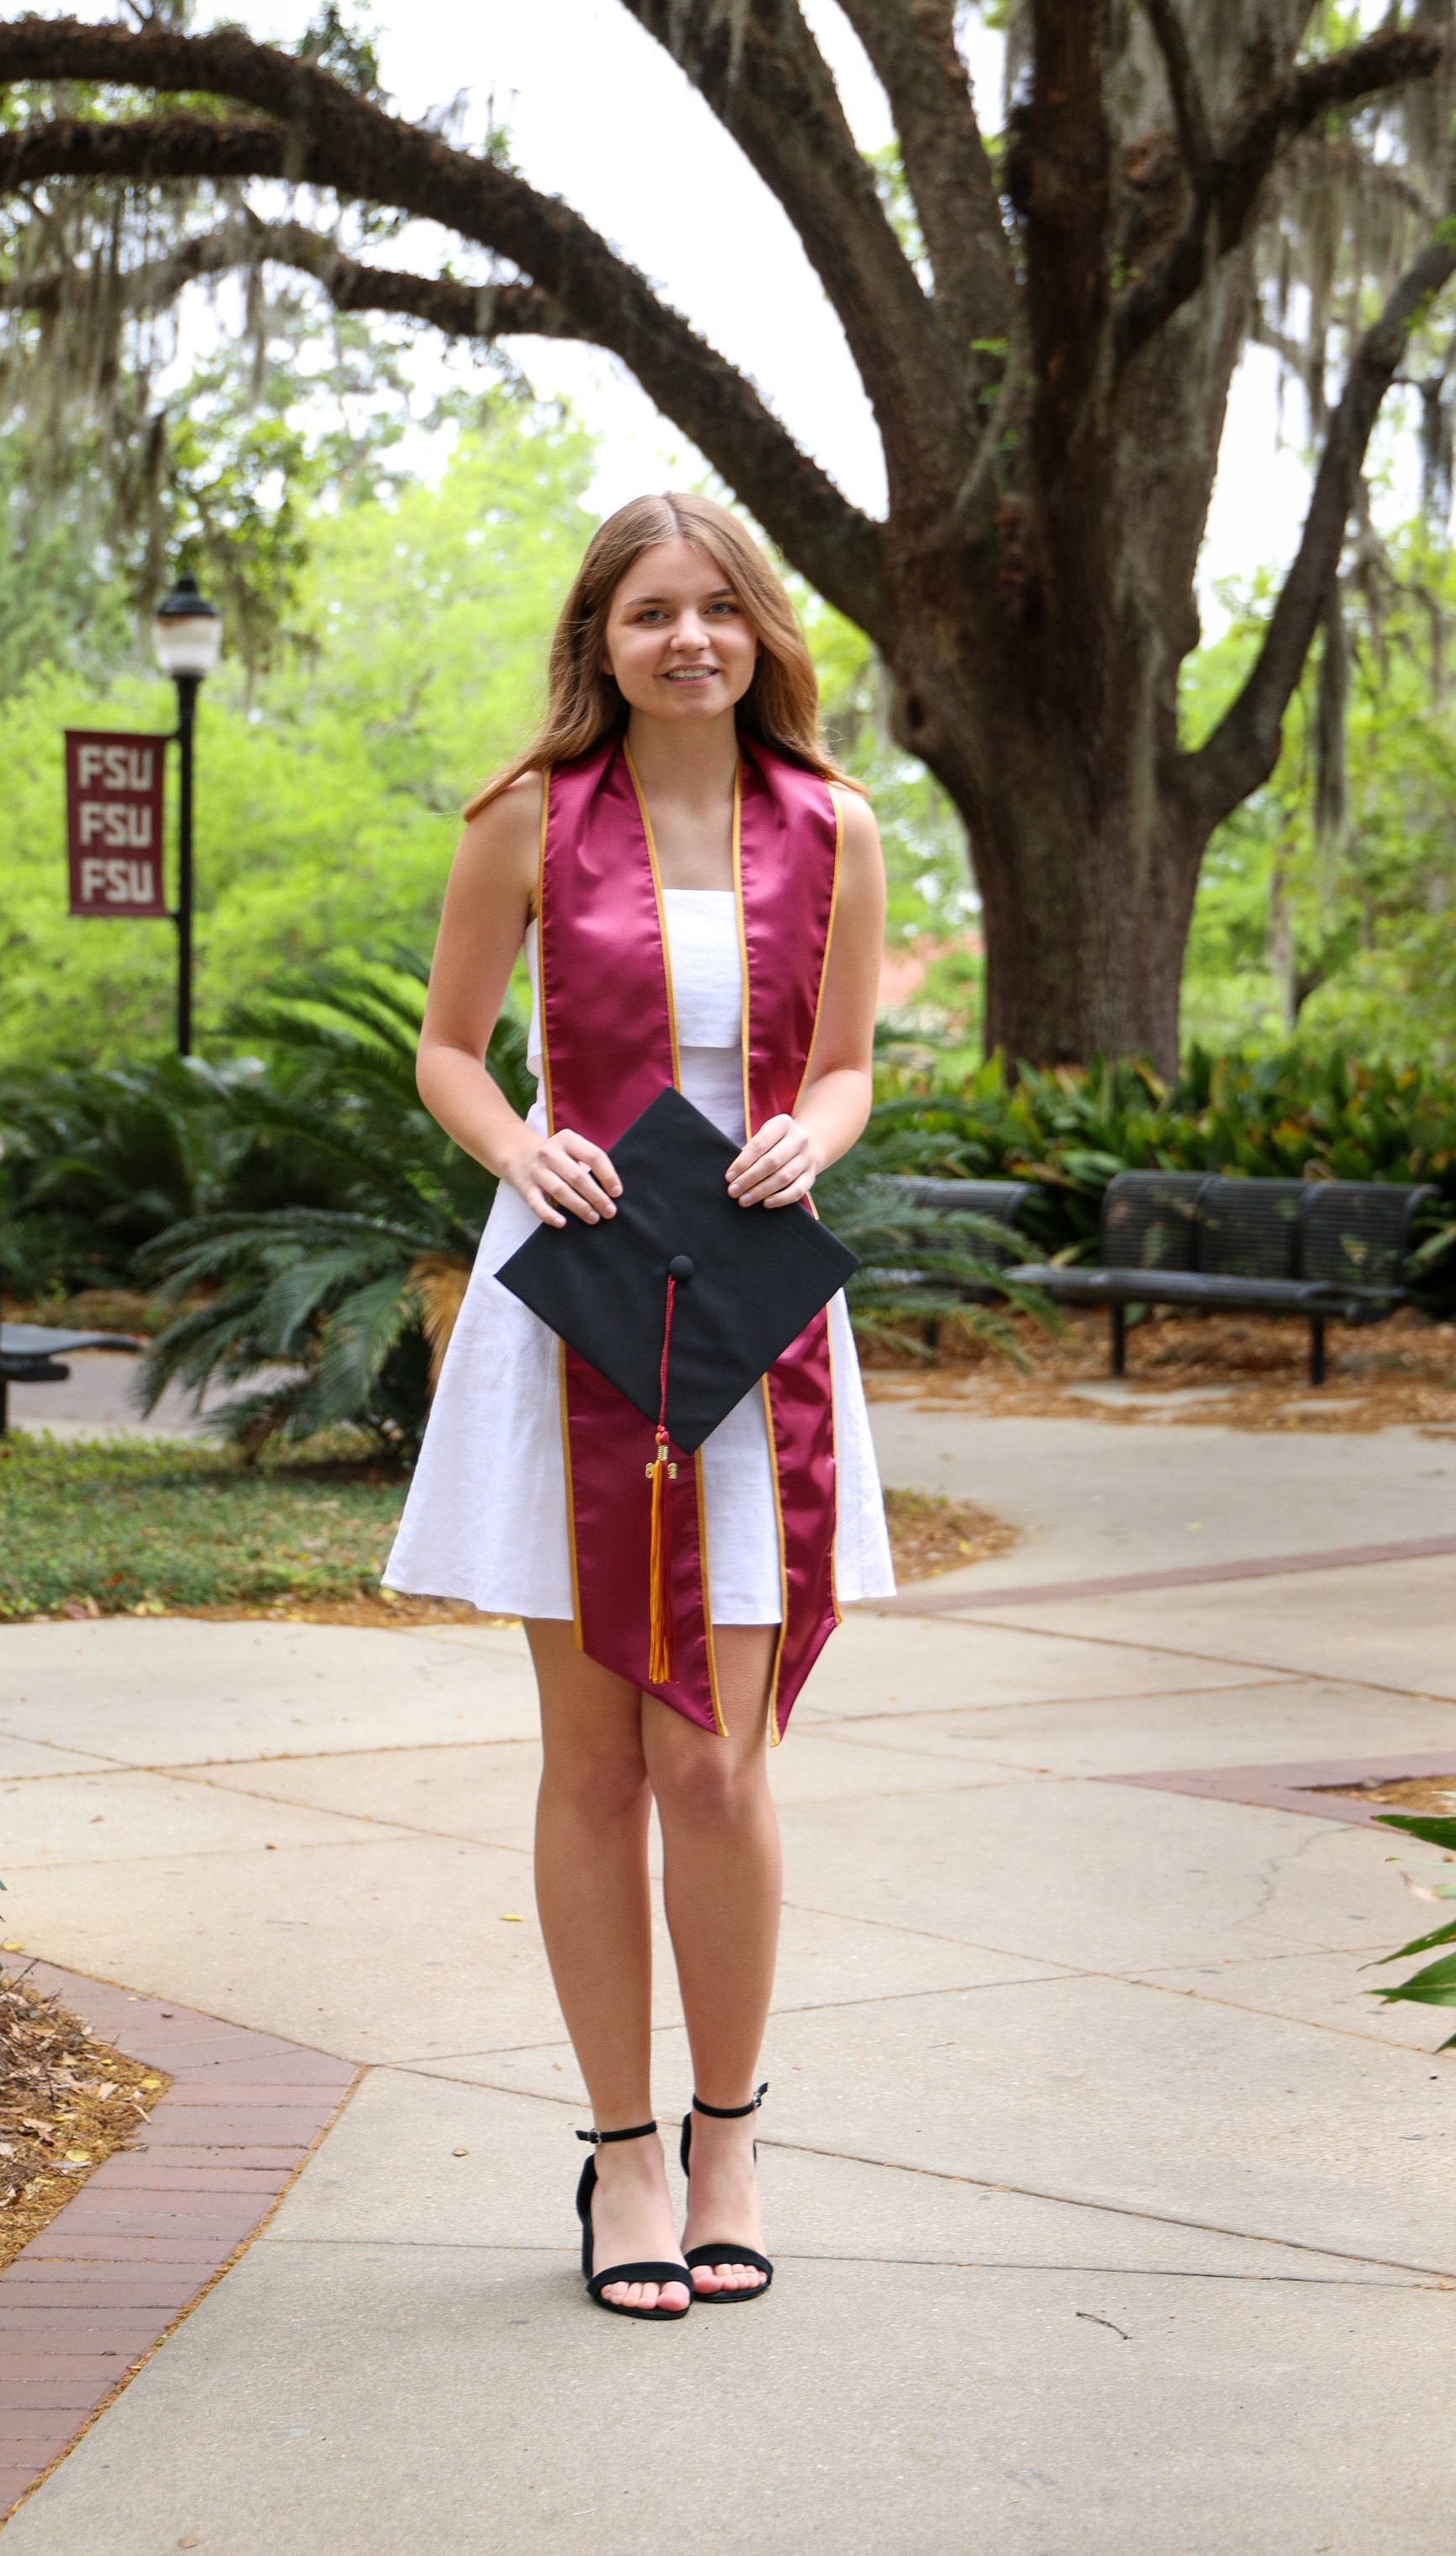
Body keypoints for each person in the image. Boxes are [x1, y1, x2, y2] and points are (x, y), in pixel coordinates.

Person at [388, 489, 891, 2318]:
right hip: (578, 1290)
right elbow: (449, 1042)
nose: (686, 637)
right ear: (597, 642)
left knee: (717, 1753)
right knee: (593, 1754)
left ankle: (727, 2132)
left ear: (759, 629)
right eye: (647, 612)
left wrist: (801, 1134)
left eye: (715, 608)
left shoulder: (831, 828)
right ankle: (616, 2154)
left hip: (747, 1302)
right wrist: (525, 1145)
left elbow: (844, 1069)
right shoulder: (525, 818)